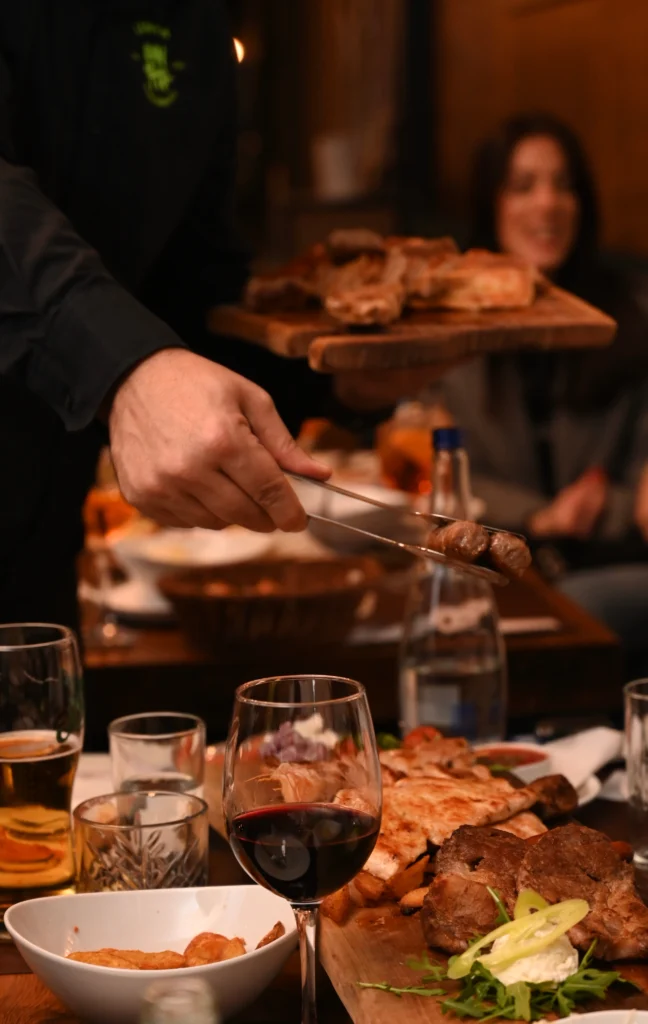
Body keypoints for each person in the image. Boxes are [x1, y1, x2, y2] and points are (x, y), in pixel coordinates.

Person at [0, 1, 438, 630]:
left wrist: (331, 377)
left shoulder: (196, 24)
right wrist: (122, 366)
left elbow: (191, 285)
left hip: (40, 551)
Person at [430, 114, 648, 675]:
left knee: (562, 610)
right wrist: (538, 515)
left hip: (609, 564)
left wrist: (602, 508)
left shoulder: (627, 314)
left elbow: (641, 485)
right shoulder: (453, 333)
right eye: (523, 186)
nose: (547, 203)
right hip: (504, 564)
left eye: (563, 185)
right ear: (491, 204)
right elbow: (442, 474)